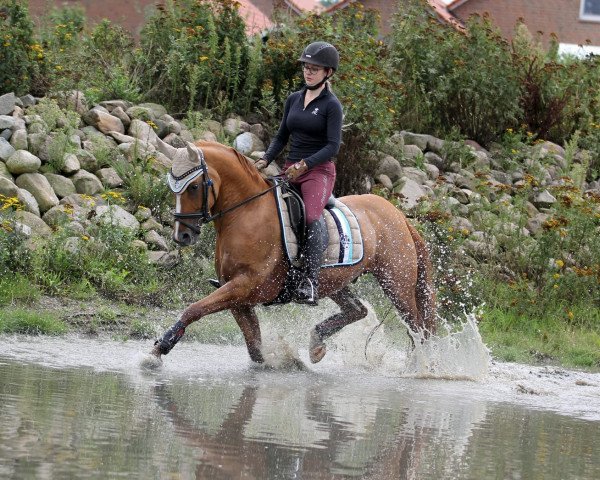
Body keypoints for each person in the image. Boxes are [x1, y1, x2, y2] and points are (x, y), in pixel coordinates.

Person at [255, 41, 343, 306]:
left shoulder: (331, 106)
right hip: (289, 170)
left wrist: (305, 165)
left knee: (311, 216)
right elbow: (282, 135)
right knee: (264, 209)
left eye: (315, 69)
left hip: (318, 171)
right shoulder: (294, 98)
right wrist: (265, 158)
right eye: (307, 67)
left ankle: (310, 282)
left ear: (328, 73)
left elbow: (333, 146)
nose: (308, 72)